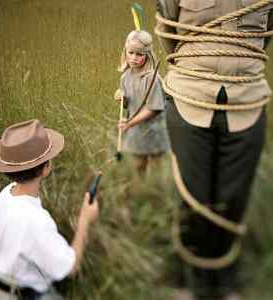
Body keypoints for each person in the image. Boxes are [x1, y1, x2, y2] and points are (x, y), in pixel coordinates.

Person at [155, 1, 273, 300]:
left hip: (247, 99)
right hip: (190, 97)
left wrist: (240, 60)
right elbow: (168, 27)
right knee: (193, 199)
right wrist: (198, 65)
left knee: (233, 201)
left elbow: (266, 33)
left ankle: (223, 285)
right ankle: (190, 284)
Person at [0, 119, 99, 300]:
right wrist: (85, 220)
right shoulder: (37, 221)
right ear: (47, 168)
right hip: (22, 295)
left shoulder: (5, 194)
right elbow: (71, 268)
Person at [115, 29, 170, 173]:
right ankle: (139, 191)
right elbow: (128, 105)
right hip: (137, 131)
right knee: (138, 166)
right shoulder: (125, 77)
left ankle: (156, 193)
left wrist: (129, 123)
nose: (133, 57)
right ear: (125, 51)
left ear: (148, 55)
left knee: (157, 168)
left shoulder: (151, 78)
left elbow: (154, 109)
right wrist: (123, 99)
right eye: (130, 52)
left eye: (139, 54)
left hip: (154, 131)